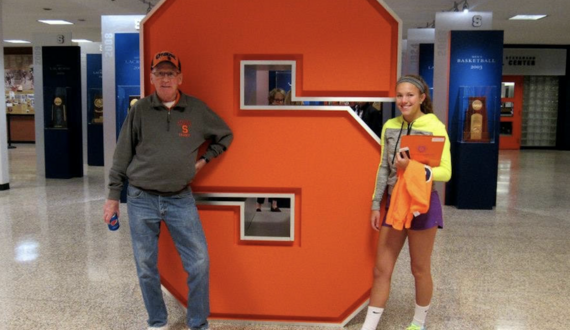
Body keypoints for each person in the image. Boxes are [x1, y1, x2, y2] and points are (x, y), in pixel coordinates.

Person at [103, 50, 233, 330]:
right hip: (140, 198)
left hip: (180, 199)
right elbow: (122, 154)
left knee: (199, 263)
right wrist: (113, 197)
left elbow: (225, 135)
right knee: (146, 266)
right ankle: (157, 321)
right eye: (159, 73)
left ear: (179, 77)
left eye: (170, 73)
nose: (165, 78)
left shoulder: (197, 110)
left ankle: (198, 323)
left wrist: (202, 161)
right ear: (151, 77)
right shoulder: (139, 110)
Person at [361, 75, 451, 330]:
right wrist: (376, 203)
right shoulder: (389, 124)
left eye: (410, 95)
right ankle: (369, 326)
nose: (404, 100)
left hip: (421, 204)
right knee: (381, 269)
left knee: (419, 269)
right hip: (394, 203)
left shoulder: (435, 126)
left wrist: (412, 167)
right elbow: (382, 168)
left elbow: (446, 172)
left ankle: (418, 323)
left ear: (422, 97)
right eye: (399, 95)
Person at [255, 88, 286, 212]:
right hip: (266, 149)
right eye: (277, 100)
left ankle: (274, 203)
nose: (279, 102)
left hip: (280, 148)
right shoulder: (265, 112)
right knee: (263, 177)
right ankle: (259, 204)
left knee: (277, 177)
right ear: (271, 100)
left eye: (281, 100)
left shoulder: (285, 113)